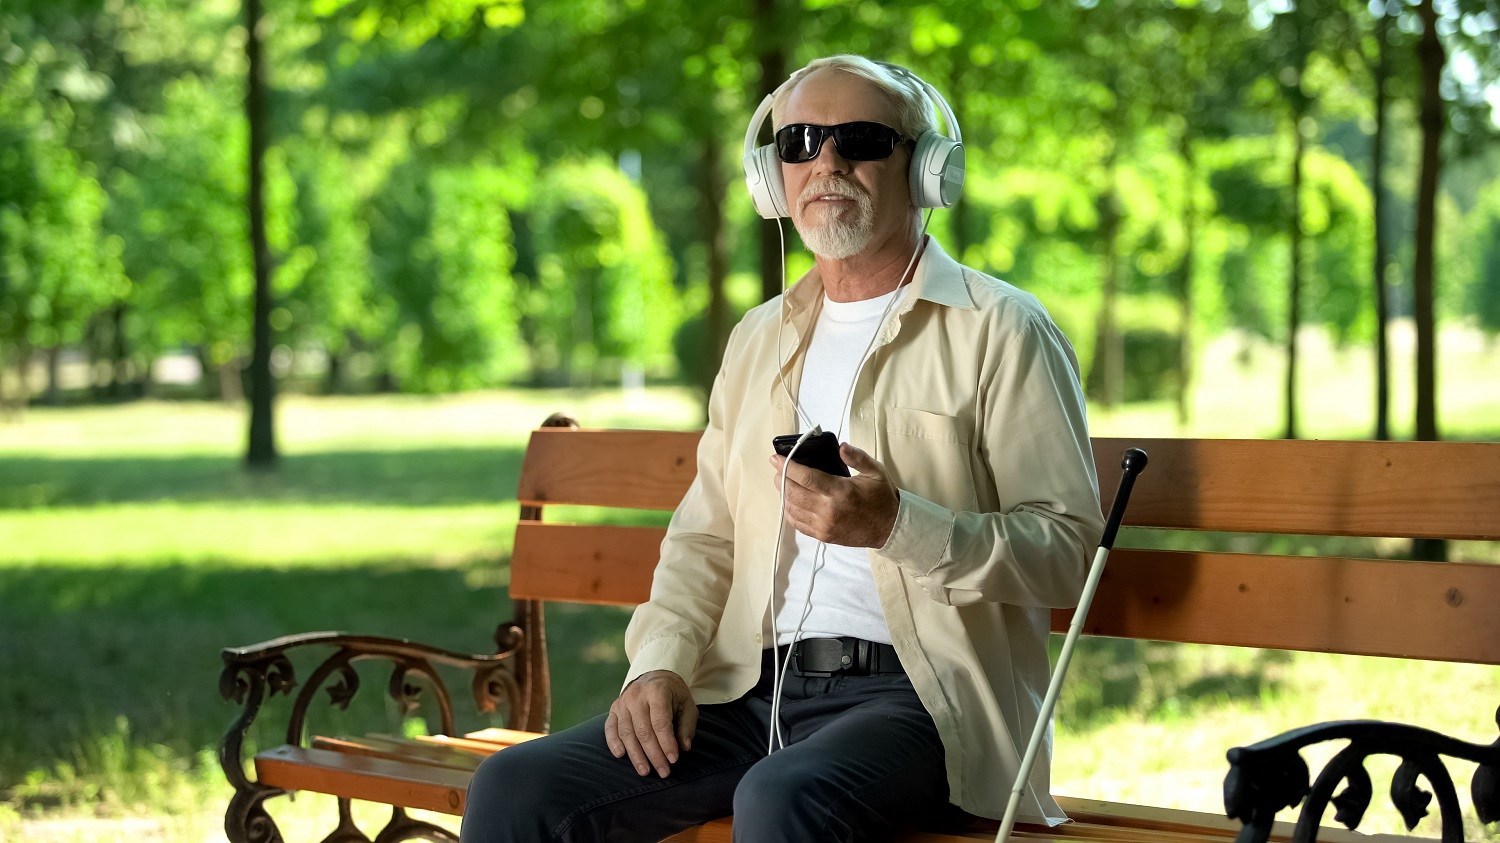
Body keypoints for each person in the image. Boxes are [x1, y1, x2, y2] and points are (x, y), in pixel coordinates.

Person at [461, 54, 1104, 843]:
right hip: (745, 691)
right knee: (516, 785)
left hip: (927, 701)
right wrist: (659, 662)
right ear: (773, 177)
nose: (825, 161)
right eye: (798, 141)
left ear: (928, 168)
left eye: (861, 139)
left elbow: (1068, 551)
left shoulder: (1001, 329)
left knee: (780, 797)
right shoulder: (759, 338)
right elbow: (707, 534)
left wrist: (897, 523)